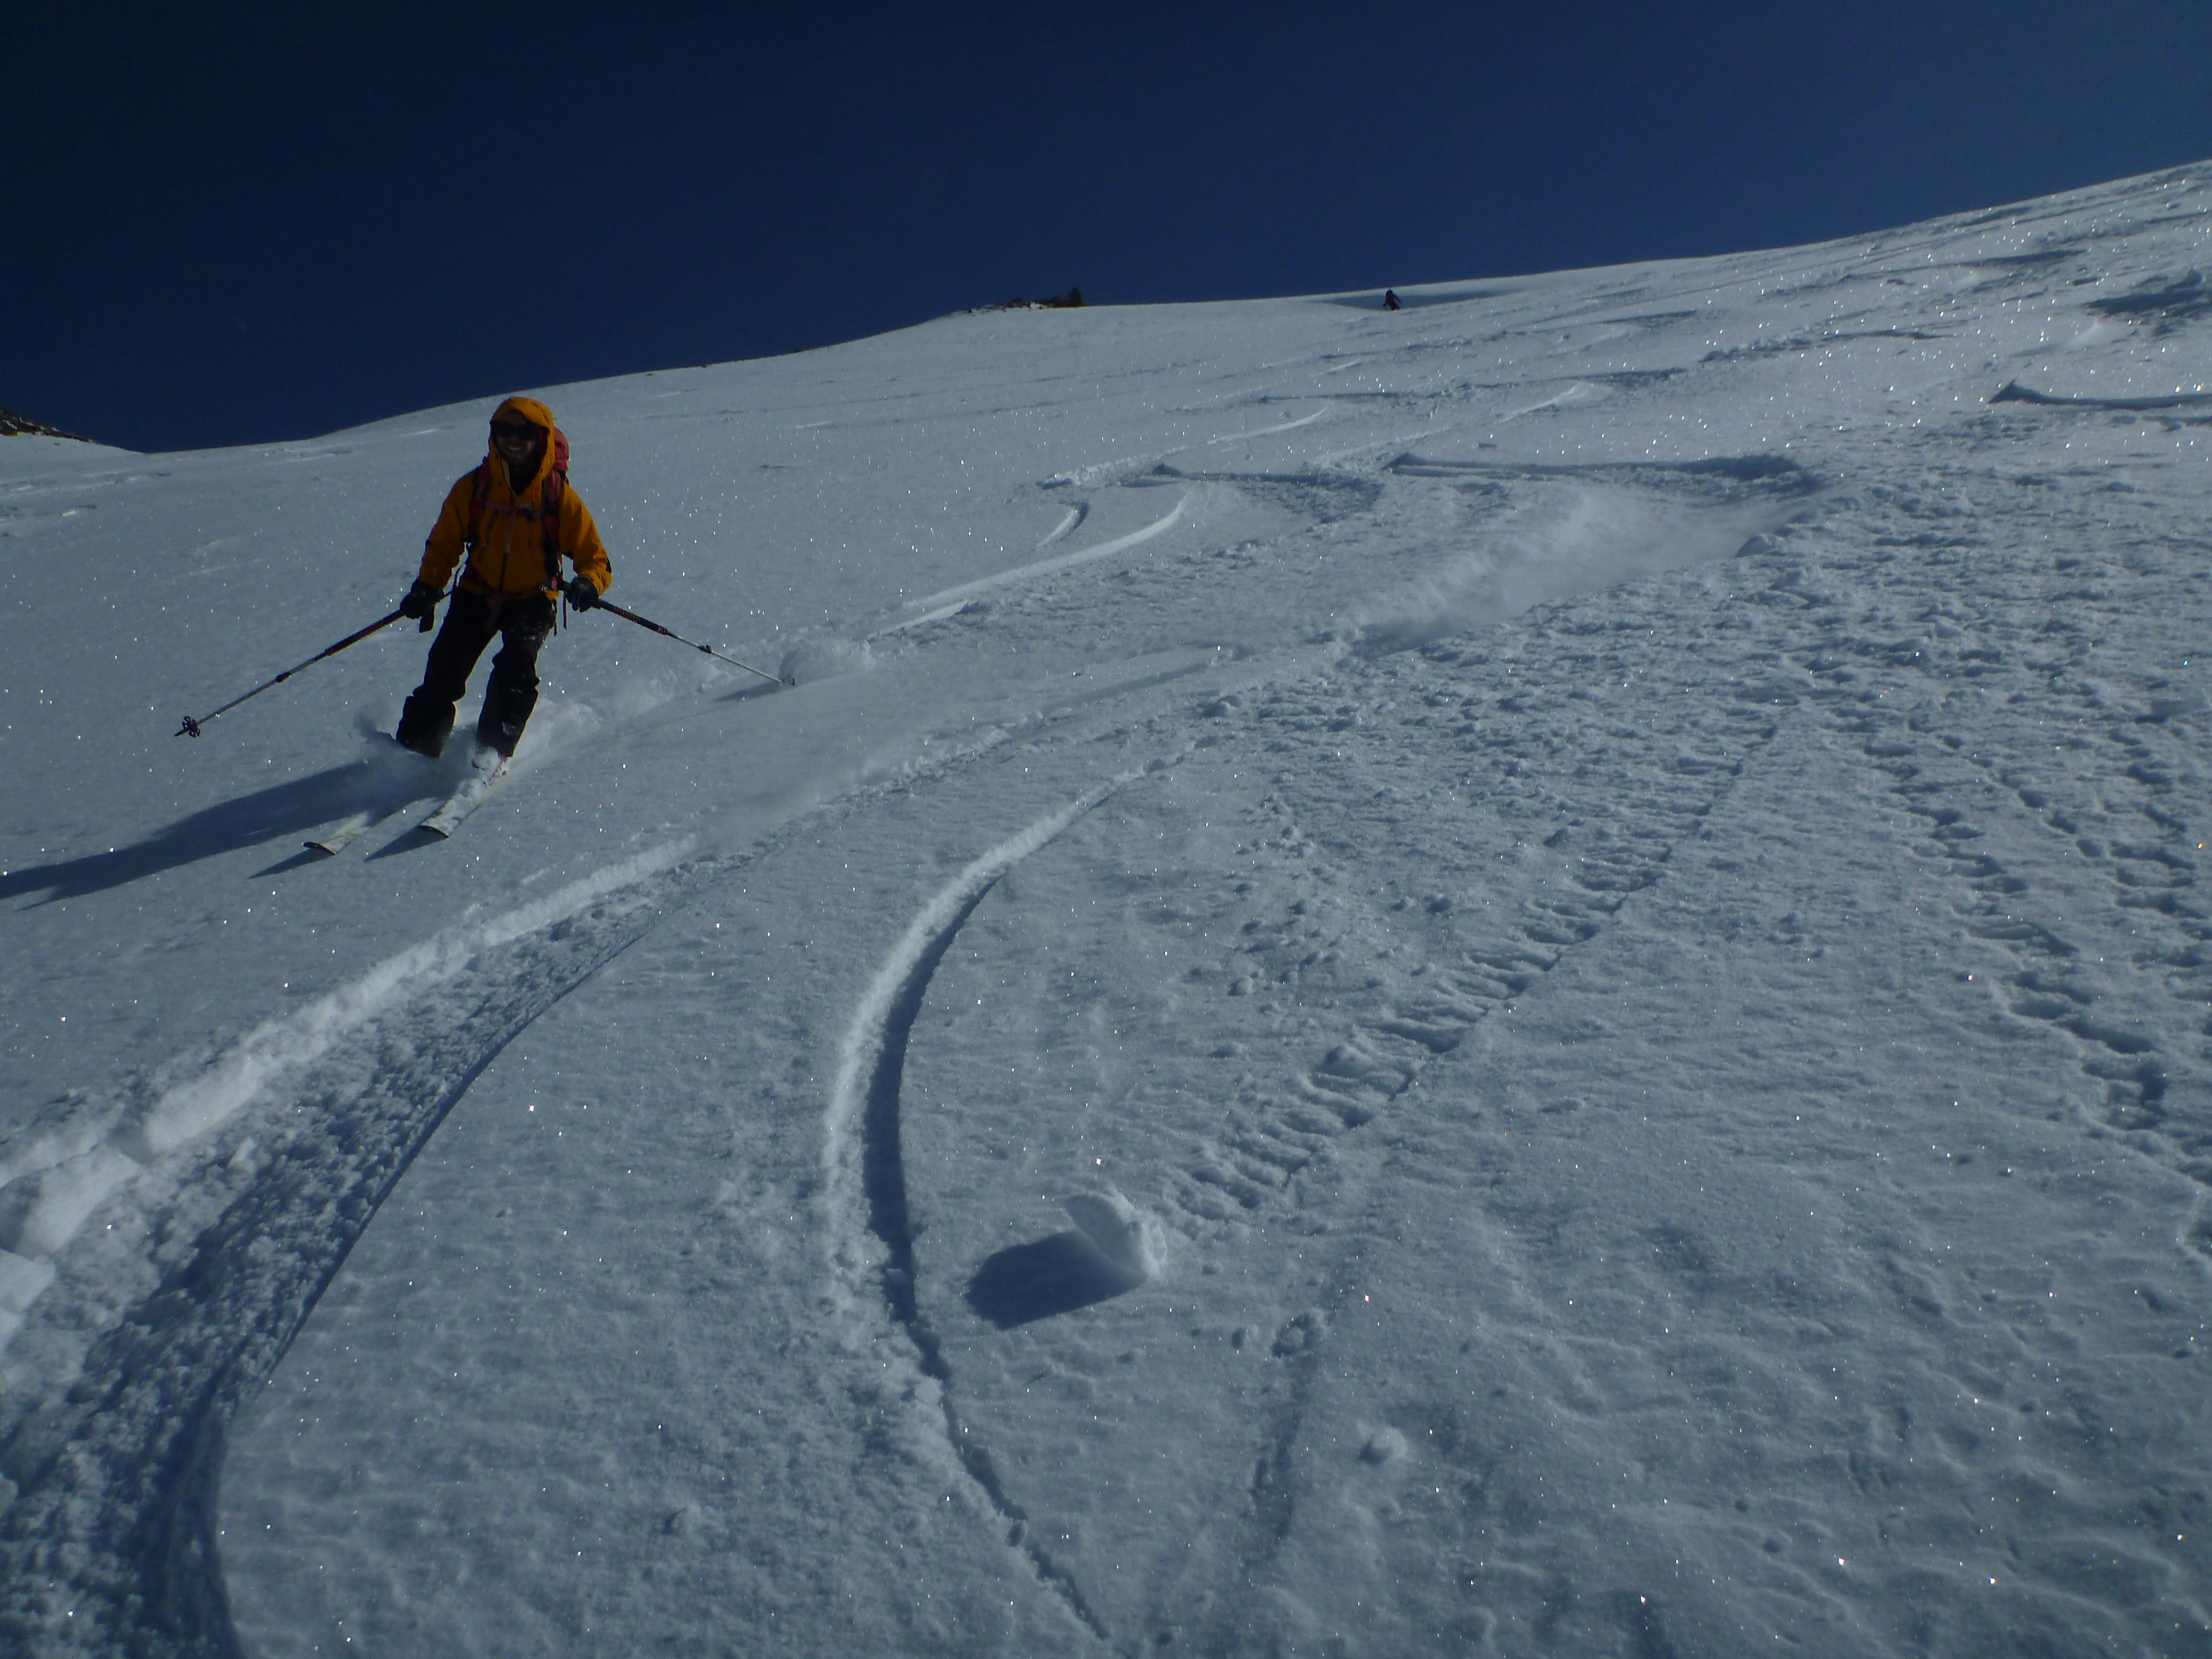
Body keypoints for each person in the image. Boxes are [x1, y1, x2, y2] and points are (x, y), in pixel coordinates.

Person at [394, 397, 612, 759]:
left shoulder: (559, 498)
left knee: (517, 669)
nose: (514, 438)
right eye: (504, 429)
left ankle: (491, 753)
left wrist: (588, 583)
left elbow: (596, 558)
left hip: (534, 597)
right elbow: (444, 545)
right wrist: (427, 587)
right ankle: (414, 755)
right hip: (476, 593)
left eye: (525, 431)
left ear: (541, 438)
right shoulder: (473, 488)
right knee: (443, 674)